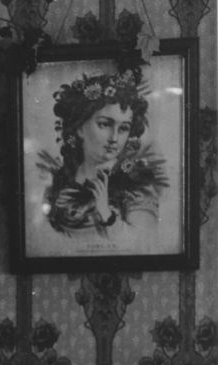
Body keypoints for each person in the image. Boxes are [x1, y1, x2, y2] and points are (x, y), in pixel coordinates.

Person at [37, 68, 167, 242]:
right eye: (105, 124)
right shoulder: (57, 184)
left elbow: (144, 245)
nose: (114, 138)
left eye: (123, 128)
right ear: (79, 127)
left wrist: (106, 214)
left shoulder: (137, 187)